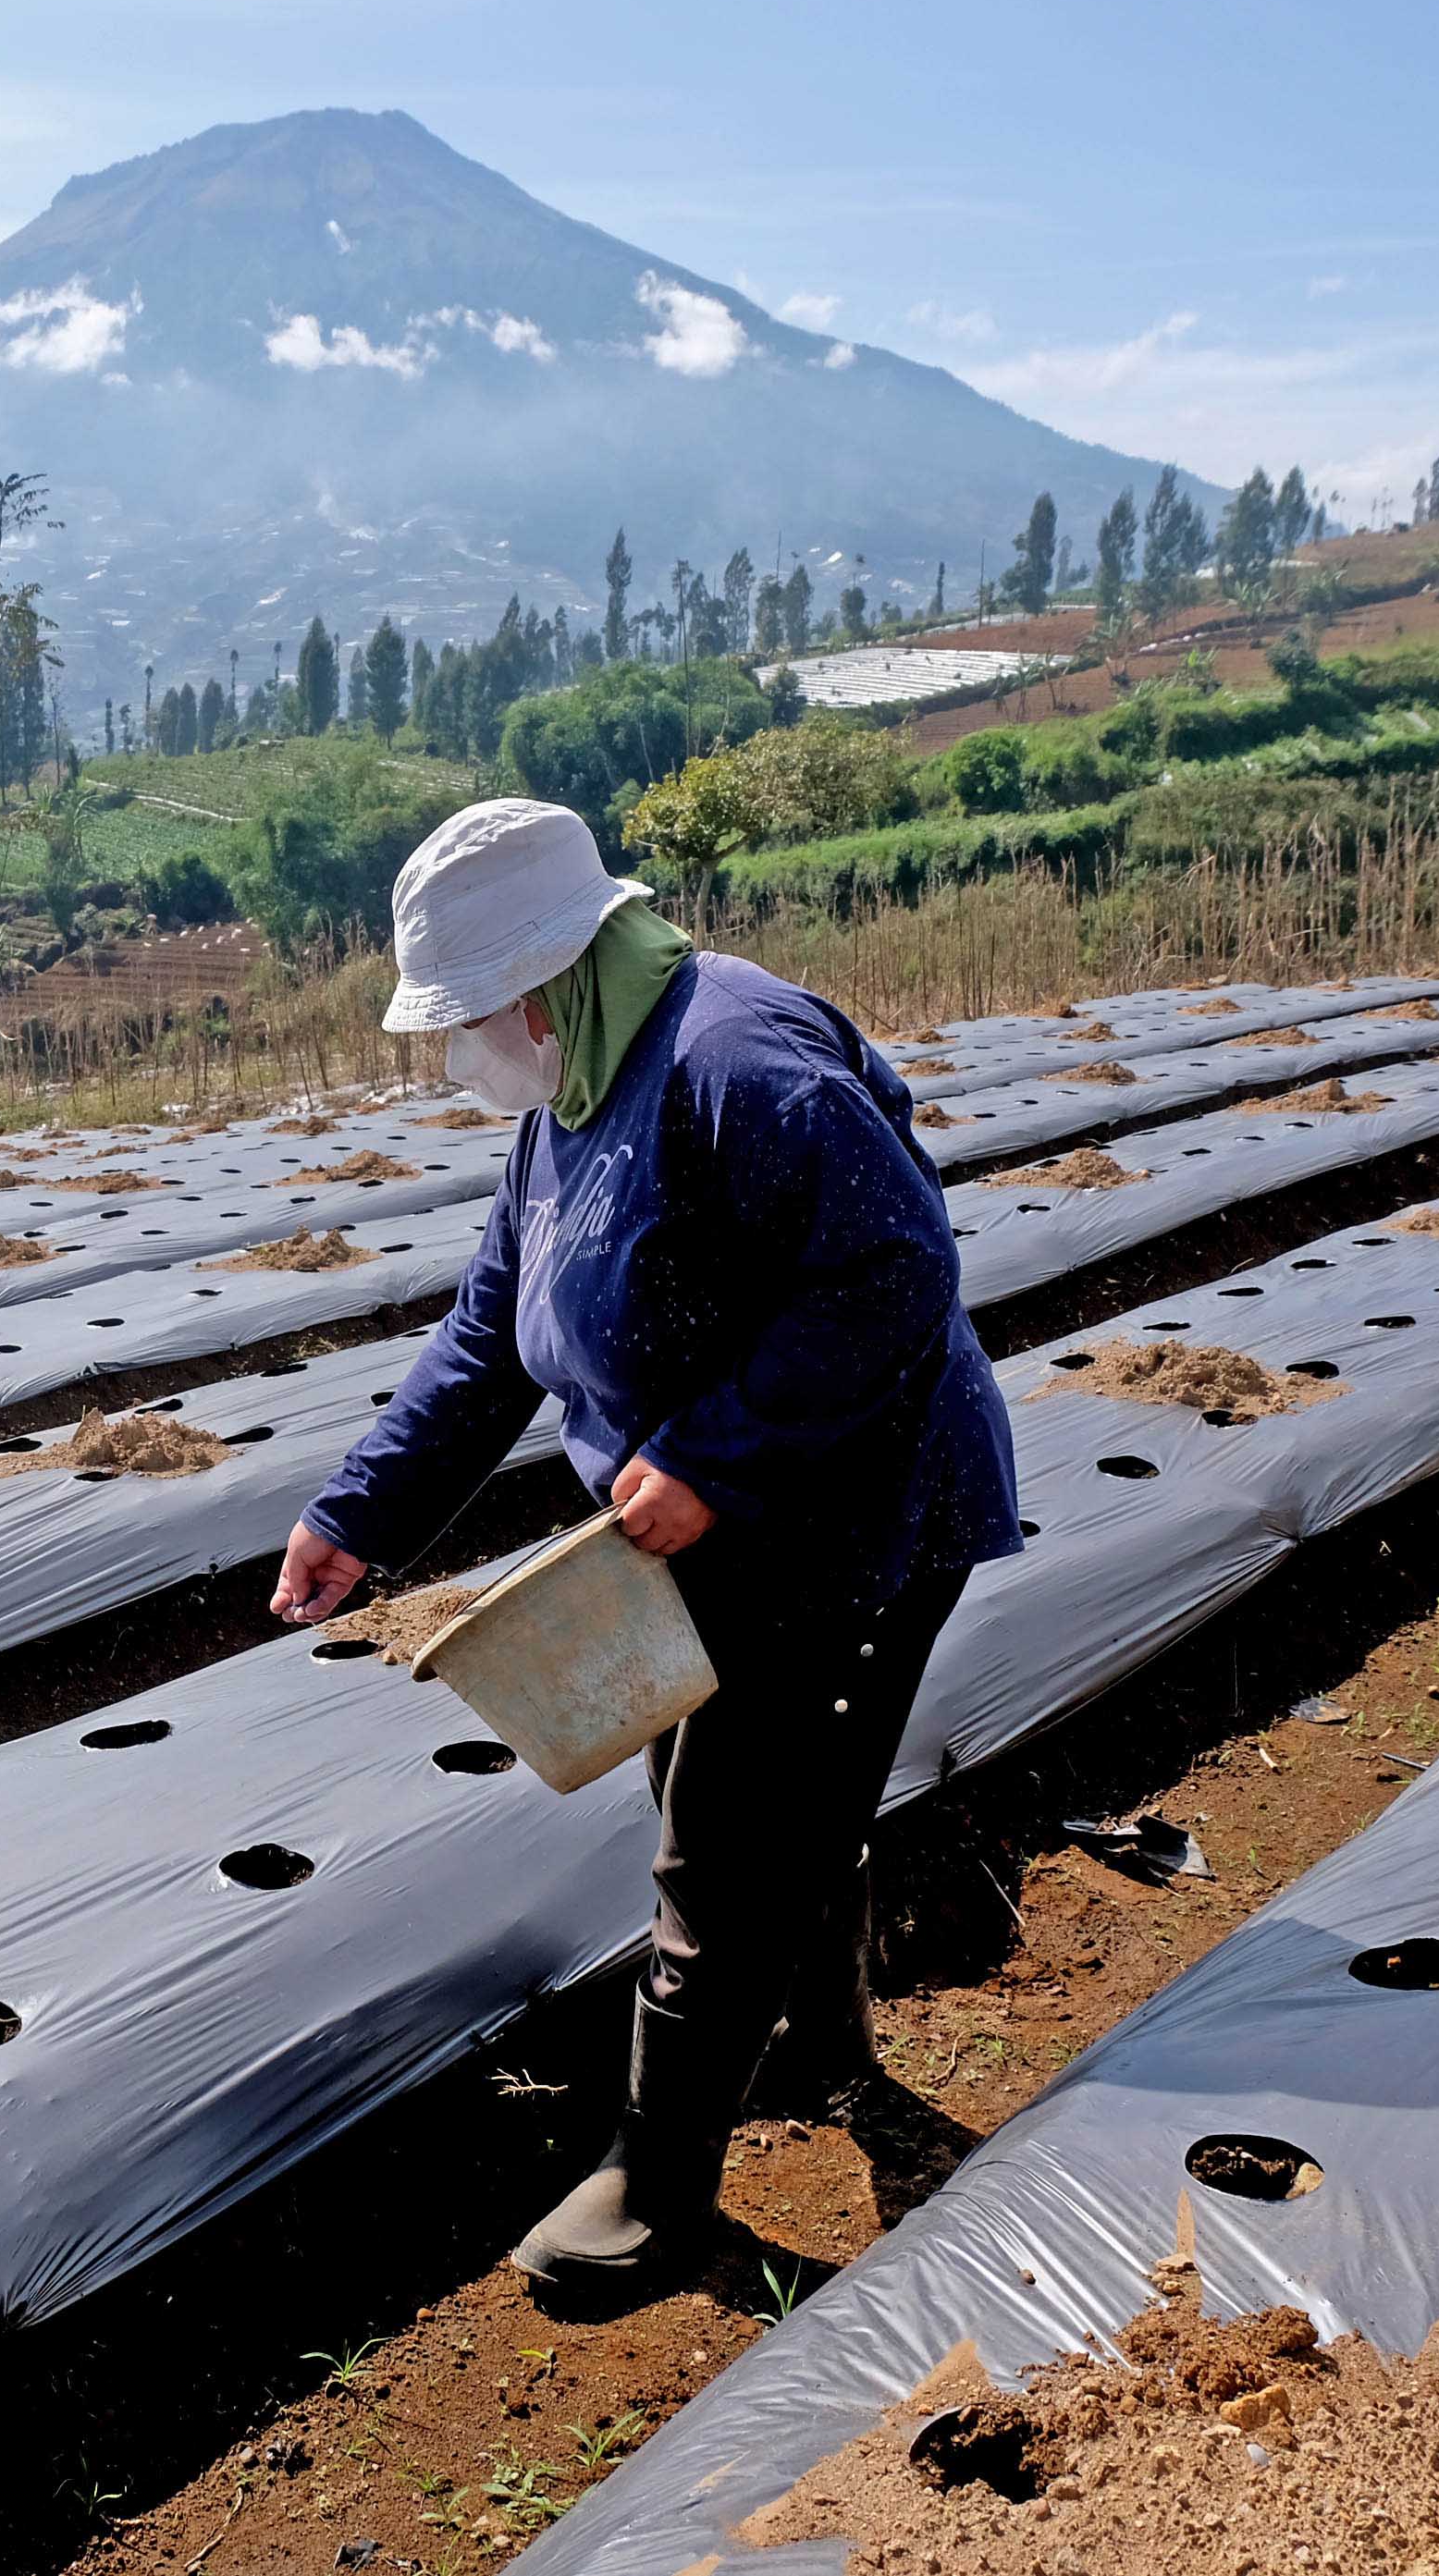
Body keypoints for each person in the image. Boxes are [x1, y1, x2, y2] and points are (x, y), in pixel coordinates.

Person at [273, 797, 1017, 2291]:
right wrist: (358, 1513)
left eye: (469, 1015)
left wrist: (711, 1453)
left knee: (724, 1843)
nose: (460, 1050)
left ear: (545, 981)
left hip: (850, 1514)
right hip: (694, 1521)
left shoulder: (736, 1061)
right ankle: (817, 2051)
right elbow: (494, 1331)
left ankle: (659, 2181)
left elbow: (893, 1271)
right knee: (734, 1785)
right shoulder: (574, 1094)